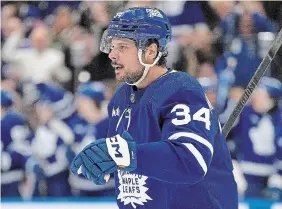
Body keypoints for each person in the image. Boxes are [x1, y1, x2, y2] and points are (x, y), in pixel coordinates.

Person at [71, 7, 238, 209]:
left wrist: (124, 154)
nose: (112, 55)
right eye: (112, 46)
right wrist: (109, 160)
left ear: (150, 51)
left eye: (122, 47)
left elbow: (190, 160)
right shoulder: (120, 99)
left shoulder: (180, 89)